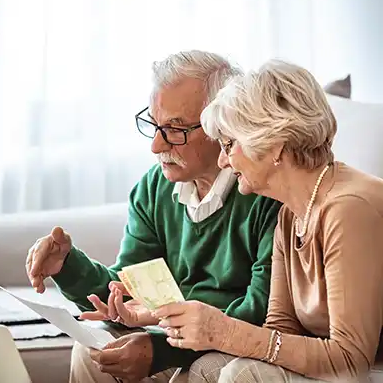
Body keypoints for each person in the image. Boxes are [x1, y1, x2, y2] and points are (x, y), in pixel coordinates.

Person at [25, 50, 283, 383]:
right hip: (175, 337)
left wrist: (160, 350)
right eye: (154, 124)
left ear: (223, 123)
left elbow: (261, 311)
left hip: (234, 340)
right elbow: (129, 293)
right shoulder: (155, 187)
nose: (156, 146)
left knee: (203, 372)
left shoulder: (265, 192)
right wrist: (67, 266)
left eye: (175, 130)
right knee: (92, 351)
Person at [152, 59, 383, 383]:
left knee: (241, 373)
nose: (222, 160)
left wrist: (225, 331)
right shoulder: (291, 213)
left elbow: (350, 360)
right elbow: (280, 329)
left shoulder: (348, 210)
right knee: (209, 369)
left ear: (273, 145)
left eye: (230, 145)